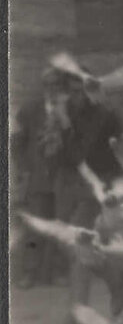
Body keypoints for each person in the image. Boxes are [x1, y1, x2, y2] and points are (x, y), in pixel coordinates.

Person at [53, 67, 123, 314]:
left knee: (83, 243)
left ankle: (79, 307)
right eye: (72, 92)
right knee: (85, 248)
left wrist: (64, 127)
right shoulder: (68, 114)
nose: (77, 97)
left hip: (101, 188)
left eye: (81, 91)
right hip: (74, 186)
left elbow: (80, 153)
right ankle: (115, 287)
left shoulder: (103, 115)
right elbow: (61, 154)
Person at [12, 69, 71, 286]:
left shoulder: (69, 111)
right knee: (35, 226)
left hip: (62, 178)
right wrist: (25, 168)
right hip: (38, 178)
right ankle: (29, 272)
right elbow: (16, 142)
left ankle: (57, 272)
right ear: (43, 86)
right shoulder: (29, 110)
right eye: (48, 84)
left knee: (61, 225)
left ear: (61, 88)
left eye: (56, 85)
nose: (52, 89)